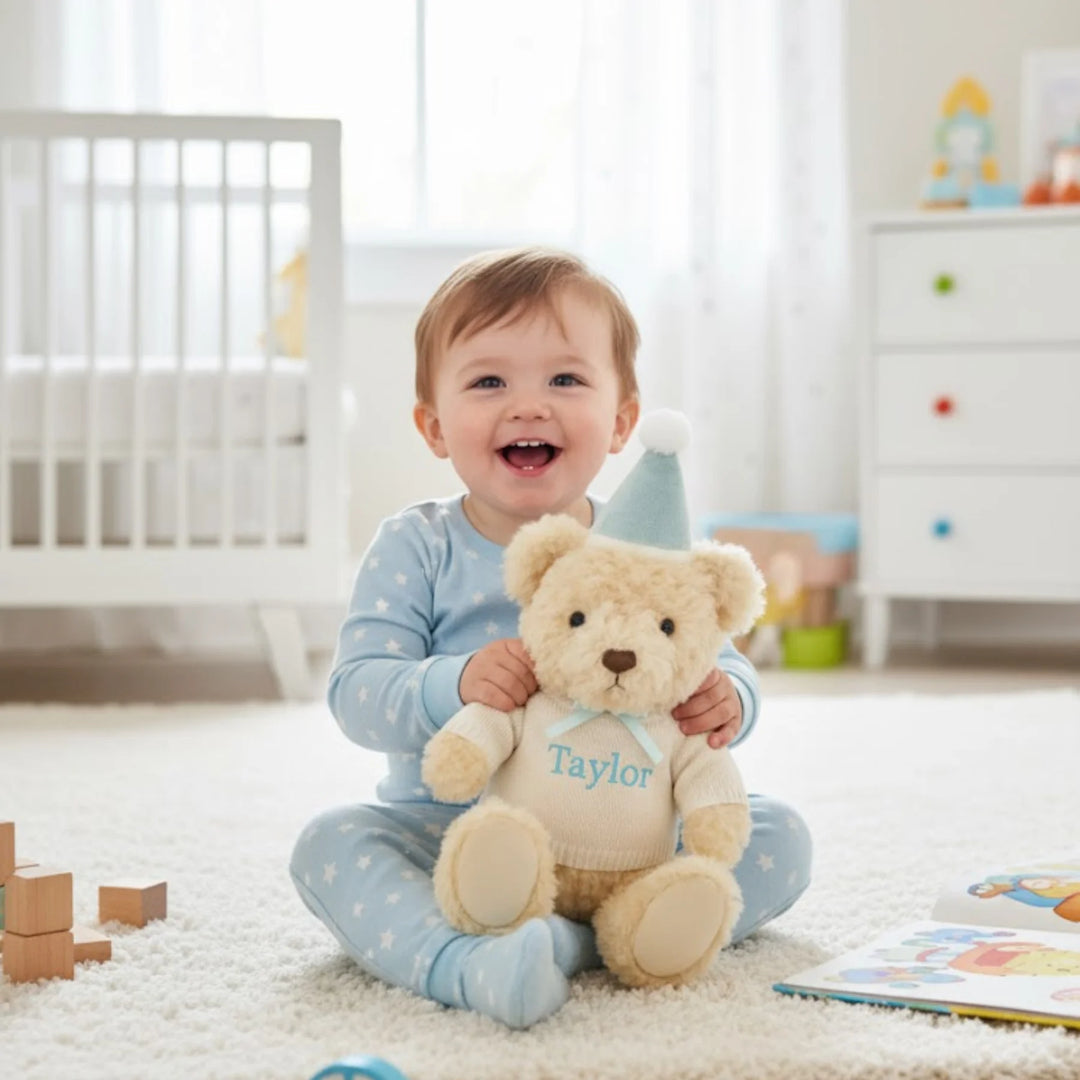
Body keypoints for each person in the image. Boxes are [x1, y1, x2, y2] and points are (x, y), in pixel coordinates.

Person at [290, 248, 812, 1028]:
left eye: (565, 380)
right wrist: (454, 684)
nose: (529, 406)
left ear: (622, 421)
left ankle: (581, 939)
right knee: (330, 845)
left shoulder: (646, 549)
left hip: (626, 839)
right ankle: (465, 963)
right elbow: (357, 693)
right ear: (434, 426)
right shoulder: (417, 546)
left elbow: (722, 661)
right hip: (455, 830)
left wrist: (726, 697)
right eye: (488, 381)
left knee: (779, 836)